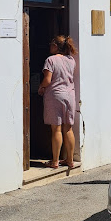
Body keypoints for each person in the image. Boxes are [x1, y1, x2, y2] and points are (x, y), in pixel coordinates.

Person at [38, 35, 78, 169]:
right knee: (68, 128)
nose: (49, 46)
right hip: (70, 95)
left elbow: (48, 79)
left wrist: (41, 87)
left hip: (55, 95)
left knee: (56, 129)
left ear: (55, 46)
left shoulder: (51, 60)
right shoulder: (71, 60)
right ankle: (70, 160)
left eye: (51, 44)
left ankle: (55, 161)